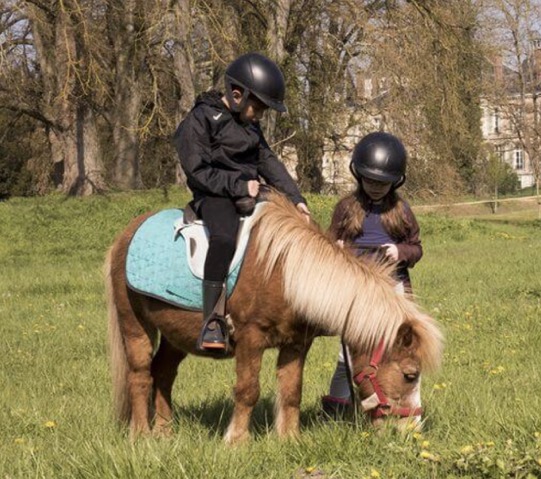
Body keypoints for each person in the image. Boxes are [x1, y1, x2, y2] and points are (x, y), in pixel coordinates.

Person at [174, 53, 310, 352]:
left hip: (251, 194)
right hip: (215, 196)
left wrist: (296, 200)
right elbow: (197, 172)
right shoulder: (199, 120)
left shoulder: (250, 126)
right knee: (223, 239)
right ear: (237, 95)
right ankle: (212, 321)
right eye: (258, 108)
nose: (260, 115)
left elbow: (268, 162)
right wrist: (238, 185)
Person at [321, 131, 423, 415]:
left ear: (395, 181)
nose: (376, 187)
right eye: (370, 180)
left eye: (383, 183)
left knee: (405, 355)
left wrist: (400, 252)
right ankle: (337, 408)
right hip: (358, 293)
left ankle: (410, 407)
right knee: (349, 354)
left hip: (393, 290)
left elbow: (417, 248)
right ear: (359, 176)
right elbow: (328, 245)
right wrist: (337, 248)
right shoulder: (346, 208)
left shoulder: (401, 211)